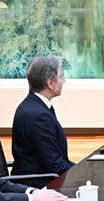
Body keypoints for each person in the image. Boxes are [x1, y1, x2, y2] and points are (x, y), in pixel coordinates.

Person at [11, 56, 75, 187]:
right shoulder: (39, 115)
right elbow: (55, 164)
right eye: (61, 76)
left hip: (42, 177)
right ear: (50, 83)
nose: (64, 81)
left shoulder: (35, 106)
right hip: (38, 184)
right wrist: (84, 174)